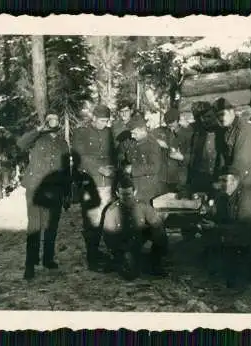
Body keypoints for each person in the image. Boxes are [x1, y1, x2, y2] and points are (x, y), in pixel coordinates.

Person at [17, 113, 69, 280]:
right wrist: (38, 130)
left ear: (59, 122)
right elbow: (21, 144)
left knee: (51, 226)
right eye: (50, 119)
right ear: (45, 122)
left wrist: (67, 193)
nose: (53, 121)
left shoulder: (63, 144)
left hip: (55, 190)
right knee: (34, 227)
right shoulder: (37, 138)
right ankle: (30, 264)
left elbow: (67, 170)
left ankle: (48, 259)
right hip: (35, 188)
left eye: (56, 118)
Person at [206, 170, 251, 289]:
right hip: (245, 235)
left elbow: (244, 228)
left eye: (225, 180)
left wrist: (216, 227)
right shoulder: (228, 196)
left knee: (236, 258)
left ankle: (248, 279)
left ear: (235, 182)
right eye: (220, 180)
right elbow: (224, 219)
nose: (221, 184)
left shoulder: (246, 198)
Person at [72, 104, 116, 269]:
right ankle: (93, 257)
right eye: (102, 120)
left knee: (109, 219)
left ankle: (108, 253)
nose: (105, 124)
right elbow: (79, 156)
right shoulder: (81, 133)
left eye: (107, 121)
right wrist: (99, 168)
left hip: (110, 183)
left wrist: (114, 168)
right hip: (91, 183)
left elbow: (114, 154)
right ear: (94, 118)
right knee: (92, 221)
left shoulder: (109, 133)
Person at [101, 175, 169, 280]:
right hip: (123, 244)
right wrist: (123, 253)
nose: (126, 197)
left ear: (135, 192)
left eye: (129, 194)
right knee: (131, 275)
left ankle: (155, 264)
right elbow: (109, 239)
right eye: (123, 195)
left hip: (140, 239)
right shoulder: (112, 211)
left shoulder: (143, 206)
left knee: (160, 233)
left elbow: (158, 225)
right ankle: (118, 262)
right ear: (117, 194)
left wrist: (150, 243)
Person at [212, 97, 251, 198]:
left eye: (222, 114)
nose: (220, 118)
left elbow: (243, 159)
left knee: (246, 209)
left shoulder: (244, 130)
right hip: (237, 175)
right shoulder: (227, 130)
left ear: (232, 112)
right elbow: (224, 156)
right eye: (218, 116)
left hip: (250, 177)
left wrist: (231, 177)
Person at [116, 115, 163, 205]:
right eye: (131, 133)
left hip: (147, 188)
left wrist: (133, 169)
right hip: (134, 186)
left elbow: (155, 167)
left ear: (142, 130)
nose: (132, 136)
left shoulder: (152, 145)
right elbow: (122, 154)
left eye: (134, 133)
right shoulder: (131, 142)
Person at [185, 101, 220, 196]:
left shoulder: (221, 132)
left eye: (207, 116)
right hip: (199, 177)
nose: (203, 120)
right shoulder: (197, 132)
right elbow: (193, 156)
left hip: (216, 177)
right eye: (198, 117)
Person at [153, 108, 189, 194]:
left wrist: (167, 146)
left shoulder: (186, 134)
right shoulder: (160, 131)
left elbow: (190, 156)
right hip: (162, 176)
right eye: (167, 122)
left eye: (172, 122)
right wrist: (156, 141)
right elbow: (149, 137)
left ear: (178, 120)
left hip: (178, 177)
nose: (169, 124)